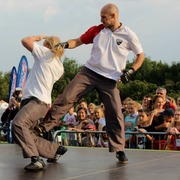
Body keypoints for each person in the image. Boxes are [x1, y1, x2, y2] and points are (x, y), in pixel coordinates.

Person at [41, 3, 145, 163]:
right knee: (66, 97)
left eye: (104, 17)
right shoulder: (97, 30)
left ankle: (119, 149)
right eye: (100, 17)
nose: (101, 19)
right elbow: (78, 41)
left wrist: (131, 70)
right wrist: (65, 45)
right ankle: (42, 128)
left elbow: (140, 56)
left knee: (115, 112)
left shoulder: (129, 35)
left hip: (109, 80)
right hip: (89, 72)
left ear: (114, 16)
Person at [11, 35, 67, 171]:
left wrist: (37, 37)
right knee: (28, 134)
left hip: (36, 100)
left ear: (47, 45)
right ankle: (54, 150)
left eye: (43, 43)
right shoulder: (60, 66)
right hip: (41, 102)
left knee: (18, 124)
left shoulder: (45, 54)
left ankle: (36, 160)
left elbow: (25, 41)